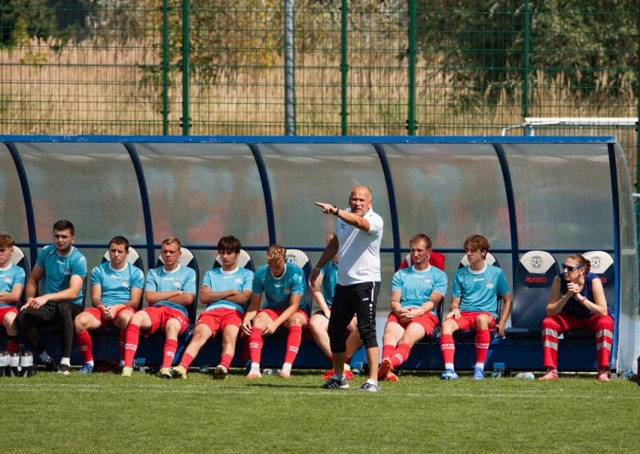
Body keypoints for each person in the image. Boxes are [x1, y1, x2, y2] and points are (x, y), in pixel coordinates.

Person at [311, 185, 384, 392]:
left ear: (370, 203)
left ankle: (372, 380)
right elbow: (336, 243)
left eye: (362, 200)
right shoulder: (343, 218)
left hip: (366, 283)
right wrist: (318, 266)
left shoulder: (375, 220)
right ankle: (339, 376)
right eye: (354, 199)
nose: (357, 203)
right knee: (335, 330)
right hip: (344, 284)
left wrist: (335, 211)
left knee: (367, 330)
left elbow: (360, 223)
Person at [172, 236, 253, 380]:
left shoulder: (246, 274)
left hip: (234, 312)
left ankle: (223, 366)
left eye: (229, 253)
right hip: (211, 312)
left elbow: (244, 298)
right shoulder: (211, 274)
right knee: (198, 336)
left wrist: (214, 295)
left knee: (229, 337)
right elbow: (204, 298)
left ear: (237, 254)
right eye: (222, 253)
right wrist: (230, 292)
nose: (225, 256)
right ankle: (182, 367)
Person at [15, 220, 87, 375]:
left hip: (71, 304)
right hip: (48, 306)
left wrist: (46, 297)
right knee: (22, 316)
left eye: (64, 237)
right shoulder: (46, 252)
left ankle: (65, 362)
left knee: (64, 308)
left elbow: (73, 292)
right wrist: (29, 299)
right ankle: (45, 358)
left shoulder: (78, 259)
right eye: (57, 236)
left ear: (72, 239)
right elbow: (33, 279)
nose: (60, 240)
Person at [121, 236, 196, 378]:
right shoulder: (153, 273)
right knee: (136, 317)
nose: (168, 255)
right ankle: (127, 366)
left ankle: (166, 367)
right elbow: (150, 297)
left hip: (177, 312)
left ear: (179, 254)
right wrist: (175, 292)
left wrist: (160, 295)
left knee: (172, 325)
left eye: (172, 252)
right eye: (165, 251)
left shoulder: (188, 272)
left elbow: (188, 298)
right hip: (155, 310)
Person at [440, 234, 511, 380]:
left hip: (486, 315)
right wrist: (454, 309)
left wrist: (502, 324)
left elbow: (507, 299)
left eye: (473, 250)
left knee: (481, 319)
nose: (468, 254)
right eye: (467, 250)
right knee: (446, 325)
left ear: (483, 252)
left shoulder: (496, 273)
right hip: (465, 314)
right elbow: (455, 302)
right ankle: (449, 370)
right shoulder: (460, 274)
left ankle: (479, 368)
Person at [378, 233, 447, 382]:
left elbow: (433, 302)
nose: (415, 254)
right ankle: (387, 369)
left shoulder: (439, 276)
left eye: (419, 250)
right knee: (388, 336)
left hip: (425, 314)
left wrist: (417, 312)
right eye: (412, 250)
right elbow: (394, 300)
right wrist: (398, 309)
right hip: (402, 312)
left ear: (429, 252)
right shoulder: (400, 274)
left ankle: (388, 365)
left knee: (406, 339)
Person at [73, 236, 144, 374]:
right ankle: (89, 363)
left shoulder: (136, 273)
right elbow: (95, 299)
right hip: (102, 310)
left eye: (119, 251)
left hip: (123, 309)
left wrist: (116, 307)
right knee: (79, 321)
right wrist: (103, 308)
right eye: (113, 251)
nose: (115, 254)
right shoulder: (98, 271)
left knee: (128, 319)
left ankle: (124, 362)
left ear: (127, 253)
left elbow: (135, 302)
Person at [539, 254, 614, 382]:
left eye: (569, 268)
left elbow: (603, 311)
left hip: (592, 318)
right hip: (570, 318)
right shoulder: (559, 279)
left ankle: (603, 370)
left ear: (581, 270)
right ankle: (551, 370)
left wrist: (580, 297)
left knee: (605, 323)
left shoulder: (593, 280)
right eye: (564, 267)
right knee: (548, 323)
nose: (565, 271)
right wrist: (566, 296)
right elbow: (550, 311)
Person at [241, 244, 307, 379]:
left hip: (294, 310)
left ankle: (287, 368)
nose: (274, 270)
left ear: (285, 261)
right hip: (271, 309)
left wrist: (275, 324)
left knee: (296, 320)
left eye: (278, 266)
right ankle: (254, 368)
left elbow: (294, 306)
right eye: (271, 266)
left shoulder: (296, 272)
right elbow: (254, 305)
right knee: (258, 321)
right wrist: (246, 319)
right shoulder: (260, 273)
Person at [308, 234, 361, 381]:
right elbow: (314, 285)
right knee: (314, 323)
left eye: (336, 248)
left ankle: (343, 364)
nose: (334, 253)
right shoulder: (325, 265)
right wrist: (325, 309)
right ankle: (337, 364)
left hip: (351, 310)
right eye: (330, 249)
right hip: (332, 308)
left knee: (359, 326)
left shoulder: (355, 265)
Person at [0, 234, 26, 354]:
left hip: (8, 309)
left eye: (2, 250)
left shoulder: (18, 271)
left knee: (11, 320)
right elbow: (9, 295)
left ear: (11, 250)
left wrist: (10, 296)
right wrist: (5, 294)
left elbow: (15, 296)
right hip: (6, 303)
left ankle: (13, 356)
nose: (0, 253)